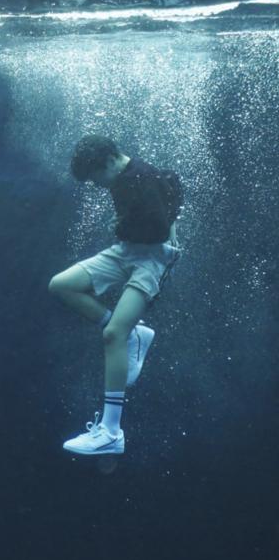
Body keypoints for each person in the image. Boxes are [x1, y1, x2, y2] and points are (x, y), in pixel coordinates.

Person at [48, 135, 183, 455]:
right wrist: (127, 228)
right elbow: (175, 189)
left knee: (112, 335)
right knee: (61, 285)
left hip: (151, 260)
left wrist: (122, 226)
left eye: (96, 178)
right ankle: (135, 336)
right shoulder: (127, 177)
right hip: (126, 252)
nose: (97, 185)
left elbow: (159, 229)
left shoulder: (141, 178)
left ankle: (111, 431)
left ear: (108, 161)